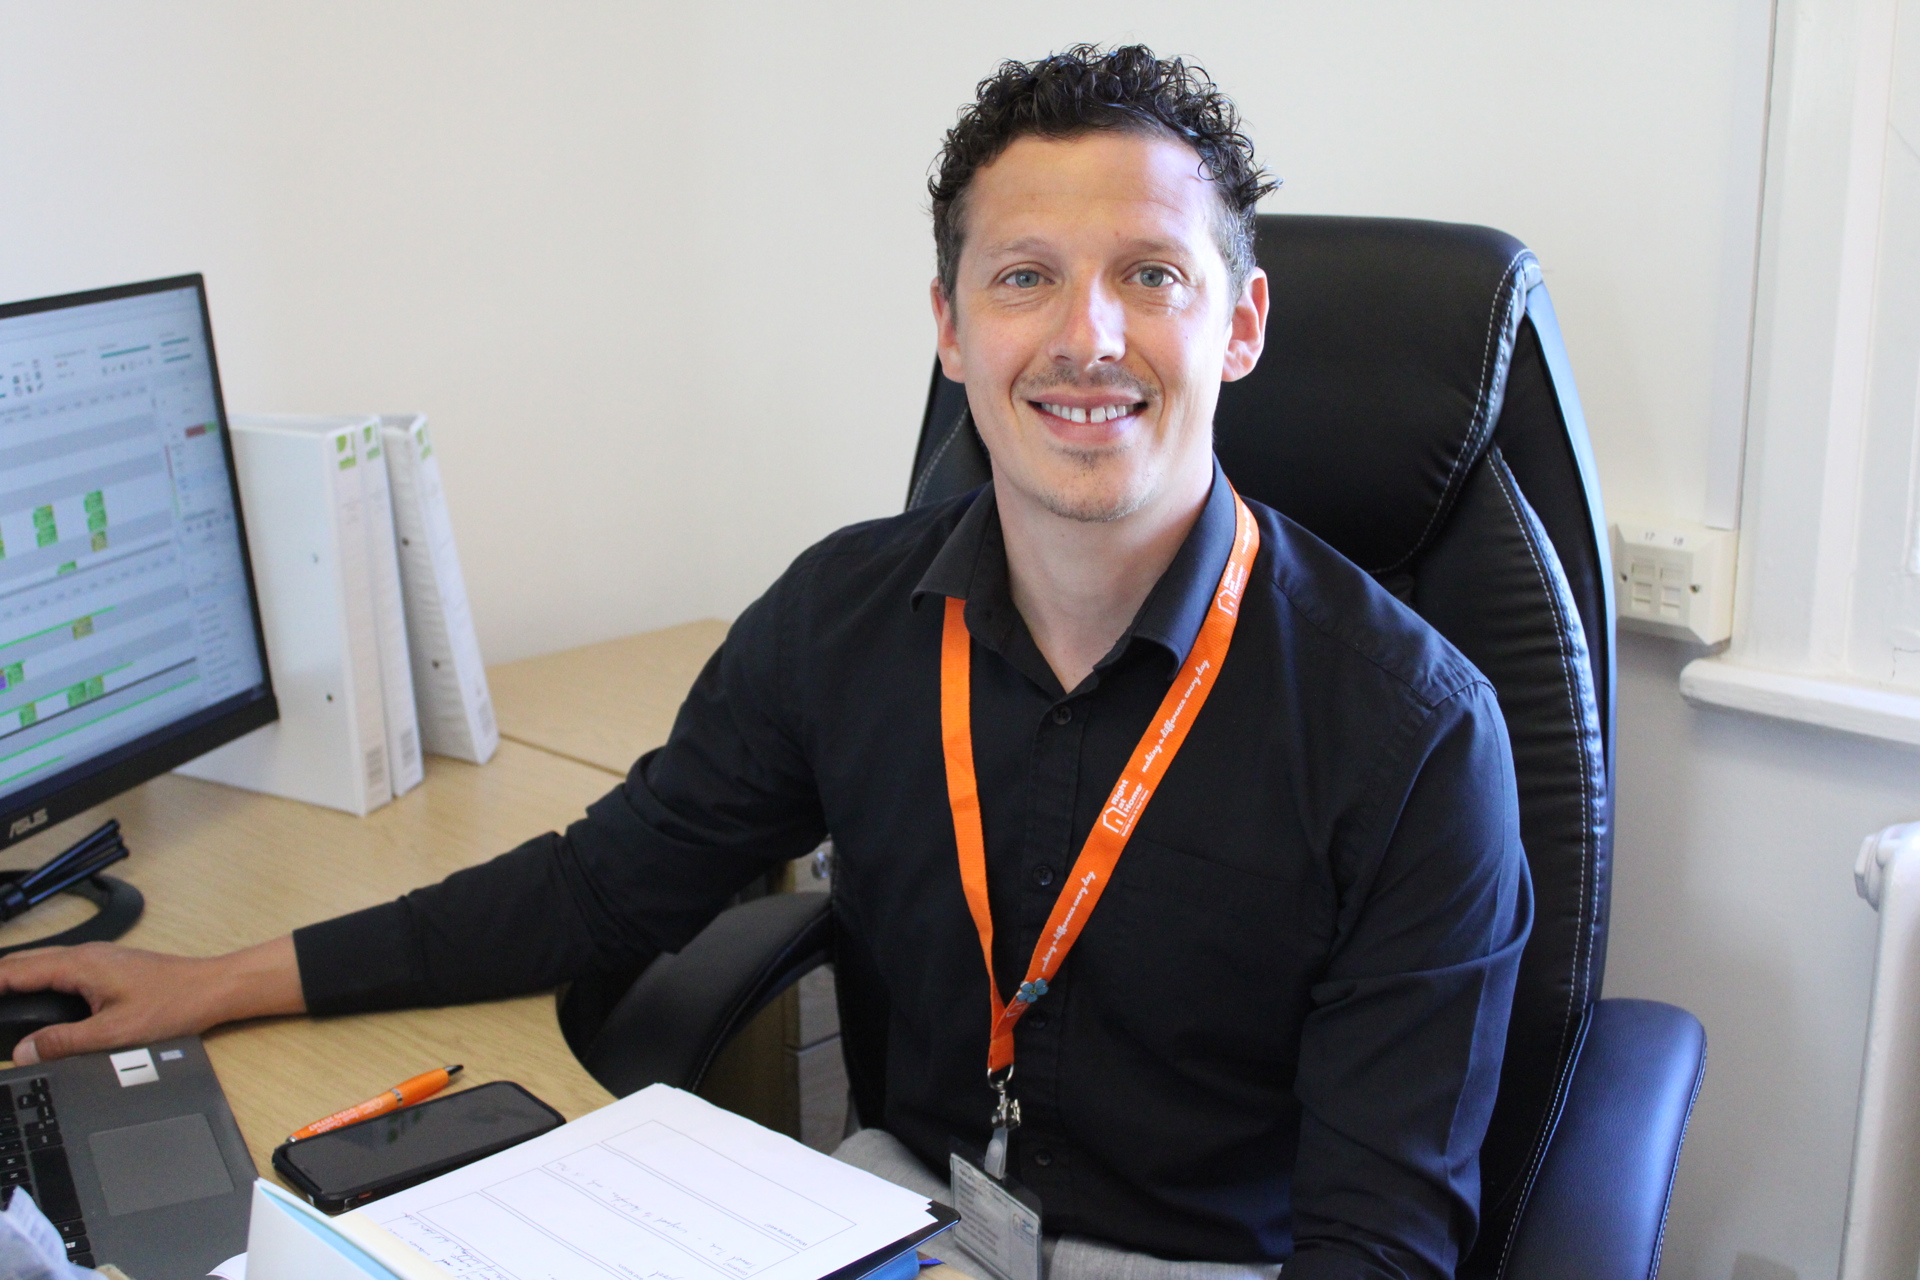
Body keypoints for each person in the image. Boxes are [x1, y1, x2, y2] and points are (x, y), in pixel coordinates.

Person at [0, 45, 1528, 1280]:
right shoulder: (843, 619)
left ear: (1240, 323)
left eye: (1151, 275)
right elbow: (599, 891)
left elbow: (1380, 1246)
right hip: (900, 1224)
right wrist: (220, 980)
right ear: (949, 327)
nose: (1088, 336)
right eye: (1023, 277)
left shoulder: (1411, 733)